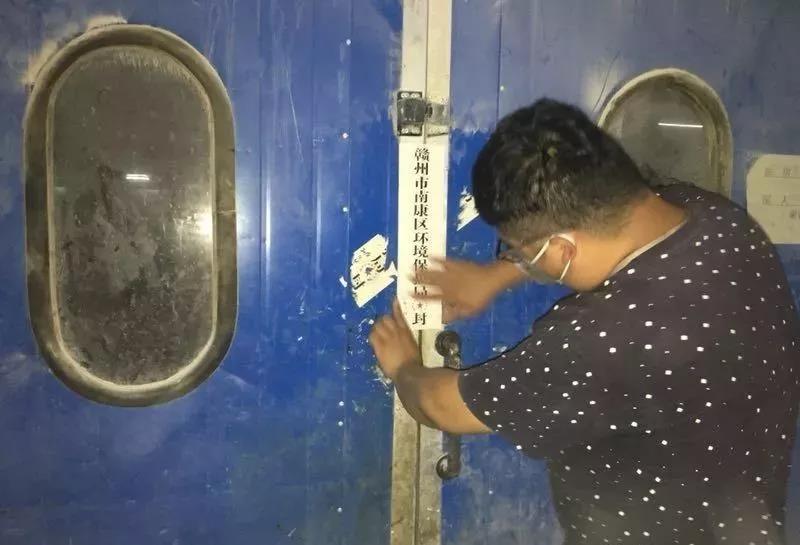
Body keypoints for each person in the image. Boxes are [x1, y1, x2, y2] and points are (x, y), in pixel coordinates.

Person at [369, 98, 800, 545]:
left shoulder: (603, 341)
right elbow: (597, 230)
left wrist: (403, 365)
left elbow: (441, 406)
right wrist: (498, 275)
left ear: (561, 250)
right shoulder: (726, 225)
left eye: (520, 251)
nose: (519, 260)